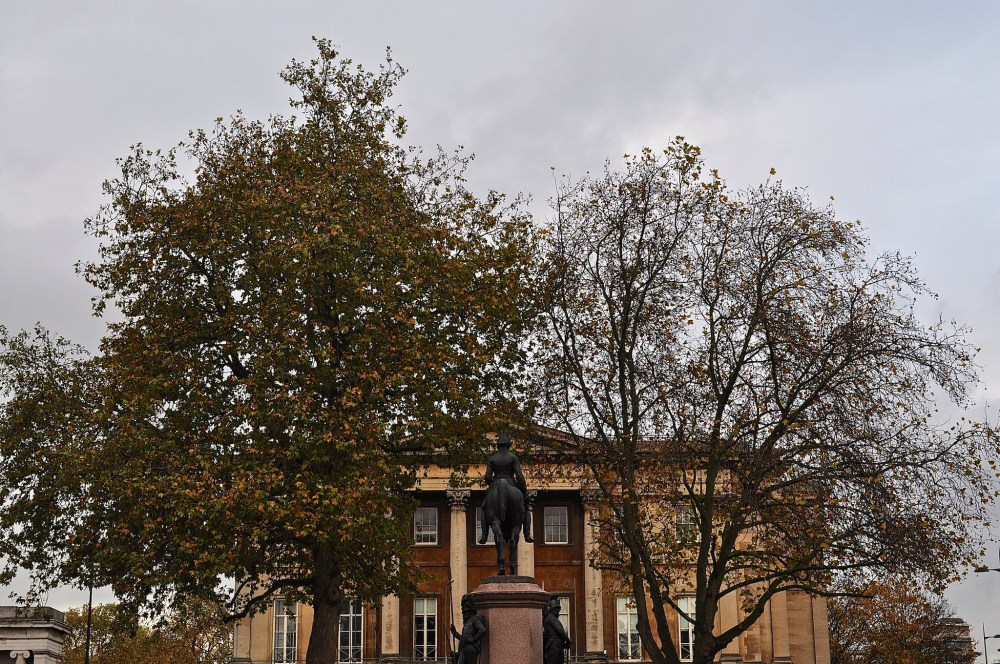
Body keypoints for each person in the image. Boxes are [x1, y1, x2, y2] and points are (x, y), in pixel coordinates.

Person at [478, 431, 533, 544]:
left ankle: (484, 535)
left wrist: (493, 482)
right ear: (509, 445)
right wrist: (525, 493)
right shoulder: (513, 458)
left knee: (484, 507)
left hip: (495, 484)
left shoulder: (492, 459)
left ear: (498, 445)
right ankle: (527, 534)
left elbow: (487, 478)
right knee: (526, 507)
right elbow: (520, 477)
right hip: (511, 482)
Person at [450, 594, 487, 664]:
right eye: (464, 613)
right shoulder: (467, 623)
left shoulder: (474, 620)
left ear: (471, 611)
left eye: (466, 612)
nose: (464, 614)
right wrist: (454, 632)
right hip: (464, 648)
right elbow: (463, 638)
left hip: (471, 648)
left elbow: (482, 630)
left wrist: (472, 639)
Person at [543, 595, 572, 664]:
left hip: (557, 646)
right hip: (553, 646)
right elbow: (560, 631)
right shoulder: (551, 618)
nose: (558, 611)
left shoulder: (553, 619)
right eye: (556, 609)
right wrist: (568, 640)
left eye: (558, 609)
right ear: (552, 609)